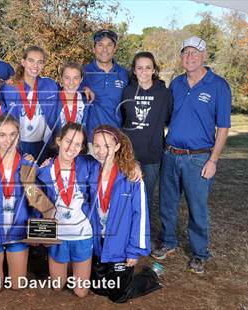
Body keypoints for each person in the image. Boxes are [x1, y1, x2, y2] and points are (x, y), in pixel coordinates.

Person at [152, 36, 231, 274]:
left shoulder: (218, 85)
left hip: (198, 158)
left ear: (204, 55)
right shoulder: (176, 83)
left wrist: (213, 160)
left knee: (197, 209)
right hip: (171, 154)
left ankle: (199, 253)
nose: (190, 57)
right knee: (167, 204)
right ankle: (168, 242)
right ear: (181, 57)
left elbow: (224, 127)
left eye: (195, 53)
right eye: (185, 53)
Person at [88, 125, 161, 303]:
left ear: (117, 147)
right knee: (98, 289)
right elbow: (69, 158)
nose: (101, 151)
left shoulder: (131, 177)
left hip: (120, 246)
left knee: (118, 296)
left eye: (106, 146)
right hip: (99, 244)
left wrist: (133, 251)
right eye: (96, 146)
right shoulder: (90, 169)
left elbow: (140, 215)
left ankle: (151, 275)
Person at [37, 122, 93, 298]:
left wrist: (135, 165)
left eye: (78, 144)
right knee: (57, 286)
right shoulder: (44, 171)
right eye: (68, 141)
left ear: (82, 147)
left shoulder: (87, 165)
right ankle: (66, 261)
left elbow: (113, 160)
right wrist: (42, 235)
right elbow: (38, 207)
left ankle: (75, 262)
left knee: (81, 292)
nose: (72, 148)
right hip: (58, 236)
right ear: (59, 141)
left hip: (82, 234)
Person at [0, 114, 35, 291]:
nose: (8, 140)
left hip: (18, 231)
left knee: (18, 285)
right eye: (2, 135)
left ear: (19, 135)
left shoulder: (29, 164)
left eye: (13, 134)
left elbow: (37, 198)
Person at [120, 52, 172, 219]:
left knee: (146, 197)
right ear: (134, 71)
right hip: (129, 156)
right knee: (126, 196)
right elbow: (122, 120)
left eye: (148, 67)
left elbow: (169, 118)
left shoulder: (164, 94)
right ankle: (126, 233)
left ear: (154, 70)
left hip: (152, 156)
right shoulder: (127, 92)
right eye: (140, 68)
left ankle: (142, 235)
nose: (144, 71)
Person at [2, 46, 59, 164]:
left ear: (44, 65)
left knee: (42, 178)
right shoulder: (10, 87)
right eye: (31, 60)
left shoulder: (50, 85)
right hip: (18, 144)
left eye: (40, 62)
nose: (35, 66)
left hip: (44, 144)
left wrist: (84, 90)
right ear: (23, 62)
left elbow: (69, 92)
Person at [81, 29, 129, 141]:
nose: (104, 49)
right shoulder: (83, 72)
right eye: (100, 45)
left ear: (115, 48)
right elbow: (66, 91)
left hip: (115, 139)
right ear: (94, 48)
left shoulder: (124, 74)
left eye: (109, 45)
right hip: (89, 140)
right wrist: (82, 88)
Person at [55, 62, 89, 129]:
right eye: (67, 78)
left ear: (81, 79)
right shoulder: (53, 100)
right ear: (61, 78)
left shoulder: (86, 101)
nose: (71, 82)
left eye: (76, 78)